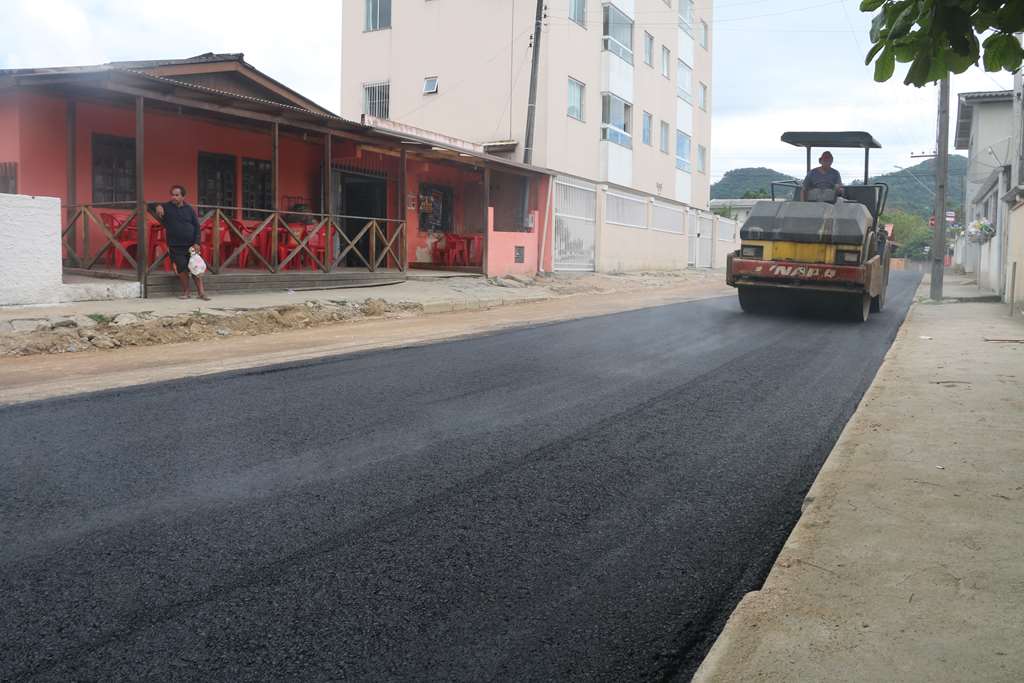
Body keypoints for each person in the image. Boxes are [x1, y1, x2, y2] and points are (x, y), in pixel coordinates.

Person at [151, 185, 210, 300]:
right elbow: (150, 204)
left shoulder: (189, 209)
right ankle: (186, 292)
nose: (174, 197)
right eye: (172, 195)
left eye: (177, 195)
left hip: (191, 245)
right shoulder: (166, 207)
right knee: (182, 268)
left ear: (183, 197)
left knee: (196, 268)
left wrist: (197, 242)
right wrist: (157, 206)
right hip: (175, 245)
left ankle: (201, 293)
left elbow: (197, 227)